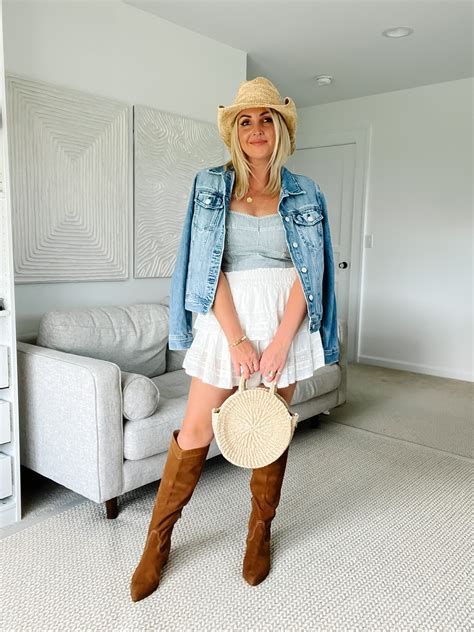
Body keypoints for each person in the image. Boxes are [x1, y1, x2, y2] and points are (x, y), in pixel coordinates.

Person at [130, 77, 339, 602]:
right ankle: (157, 541)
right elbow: (207, 265)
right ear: (234, 133)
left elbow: (306, 271)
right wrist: (241, 339)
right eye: (245, 121)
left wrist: (282, 339)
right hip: (229, 321)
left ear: (280, 129)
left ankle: (259, 531)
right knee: (196, 429)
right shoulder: (209, 185)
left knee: (270, 428)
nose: (255, 129)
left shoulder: (306, 191)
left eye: (266, 118)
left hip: (284, 321)